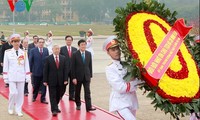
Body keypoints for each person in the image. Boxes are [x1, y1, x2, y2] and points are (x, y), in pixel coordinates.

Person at [103, 36, 143, 120]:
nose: (116, 51)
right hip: (120, 103)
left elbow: (138, 79)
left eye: (117, 48)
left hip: (131, 101)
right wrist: (134, 82)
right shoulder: (110, 68)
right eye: (113, 50)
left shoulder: (127, 64)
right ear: (108, 53)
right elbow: (120, 87)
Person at [3, 34, 31, 117]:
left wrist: (27, 76)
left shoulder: (24, 52)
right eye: (14, 41)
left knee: (20, 94)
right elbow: (6, 65)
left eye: (18, 41)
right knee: (13, 93)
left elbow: (26, 65)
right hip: (11, 76)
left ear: (20, 43)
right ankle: (10, 107)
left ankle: (18, 109)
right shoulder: (7, 53)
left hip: (21, 76)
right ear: (11, 42)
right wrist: (5, 77)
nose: (16, 43)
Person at [43, 44, 68, 116]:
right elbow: (45, 70)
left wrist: (65, 79)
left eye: (58, 49)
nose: (57, 50)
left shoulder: (63, 58)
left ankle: (55, 106)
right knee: (52, 95)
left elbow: (65, 70)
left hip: (61, 80)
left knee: (59, 95)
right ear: (52, 50)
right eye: (55, 49)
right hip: (51, 80)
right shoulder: (48, 58)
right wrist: (45, 80)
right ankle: (54, 109)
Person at [71, 39, 96, 112]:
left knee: (87, 92)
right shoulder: (75, 54)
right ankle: (78, 104)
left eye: (84, 44)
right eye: (82, 45)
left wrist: (90, 76)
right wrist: (73, 77)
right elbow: (72, 67)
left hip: (86, 76)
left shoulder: (88, 53)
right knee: (77, 92)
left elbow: (90, 65)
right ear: (79, 46)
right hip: (78, 77)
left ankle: (88, 107)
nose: (83, 46)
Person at [29, 38, 49, 104]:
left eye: (42, 42)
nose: (41, 43)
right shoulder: (33, 50)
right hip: (36, 71)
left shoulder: (46, 50)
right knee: (36, 86)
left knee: (44, 86)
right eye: (40, 42)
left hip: (44, 72)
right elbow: (30, 61)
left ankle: (43, 99)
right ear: (37, 43)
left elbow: (47, 61)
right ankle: (34, 97)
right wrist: (31, 71)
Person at [60, 35, 77, 101]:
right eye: (67, 40)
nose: (69, 41)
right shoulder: (62, 49)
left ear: (72, 41)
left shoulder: (75, 49)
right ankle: (60, 95)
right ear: (65, 41)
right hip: (65, 69)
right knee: (64, 83)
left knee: (72, 84)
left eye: (70, 40)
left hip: (73, 69)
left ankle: (71, 96)